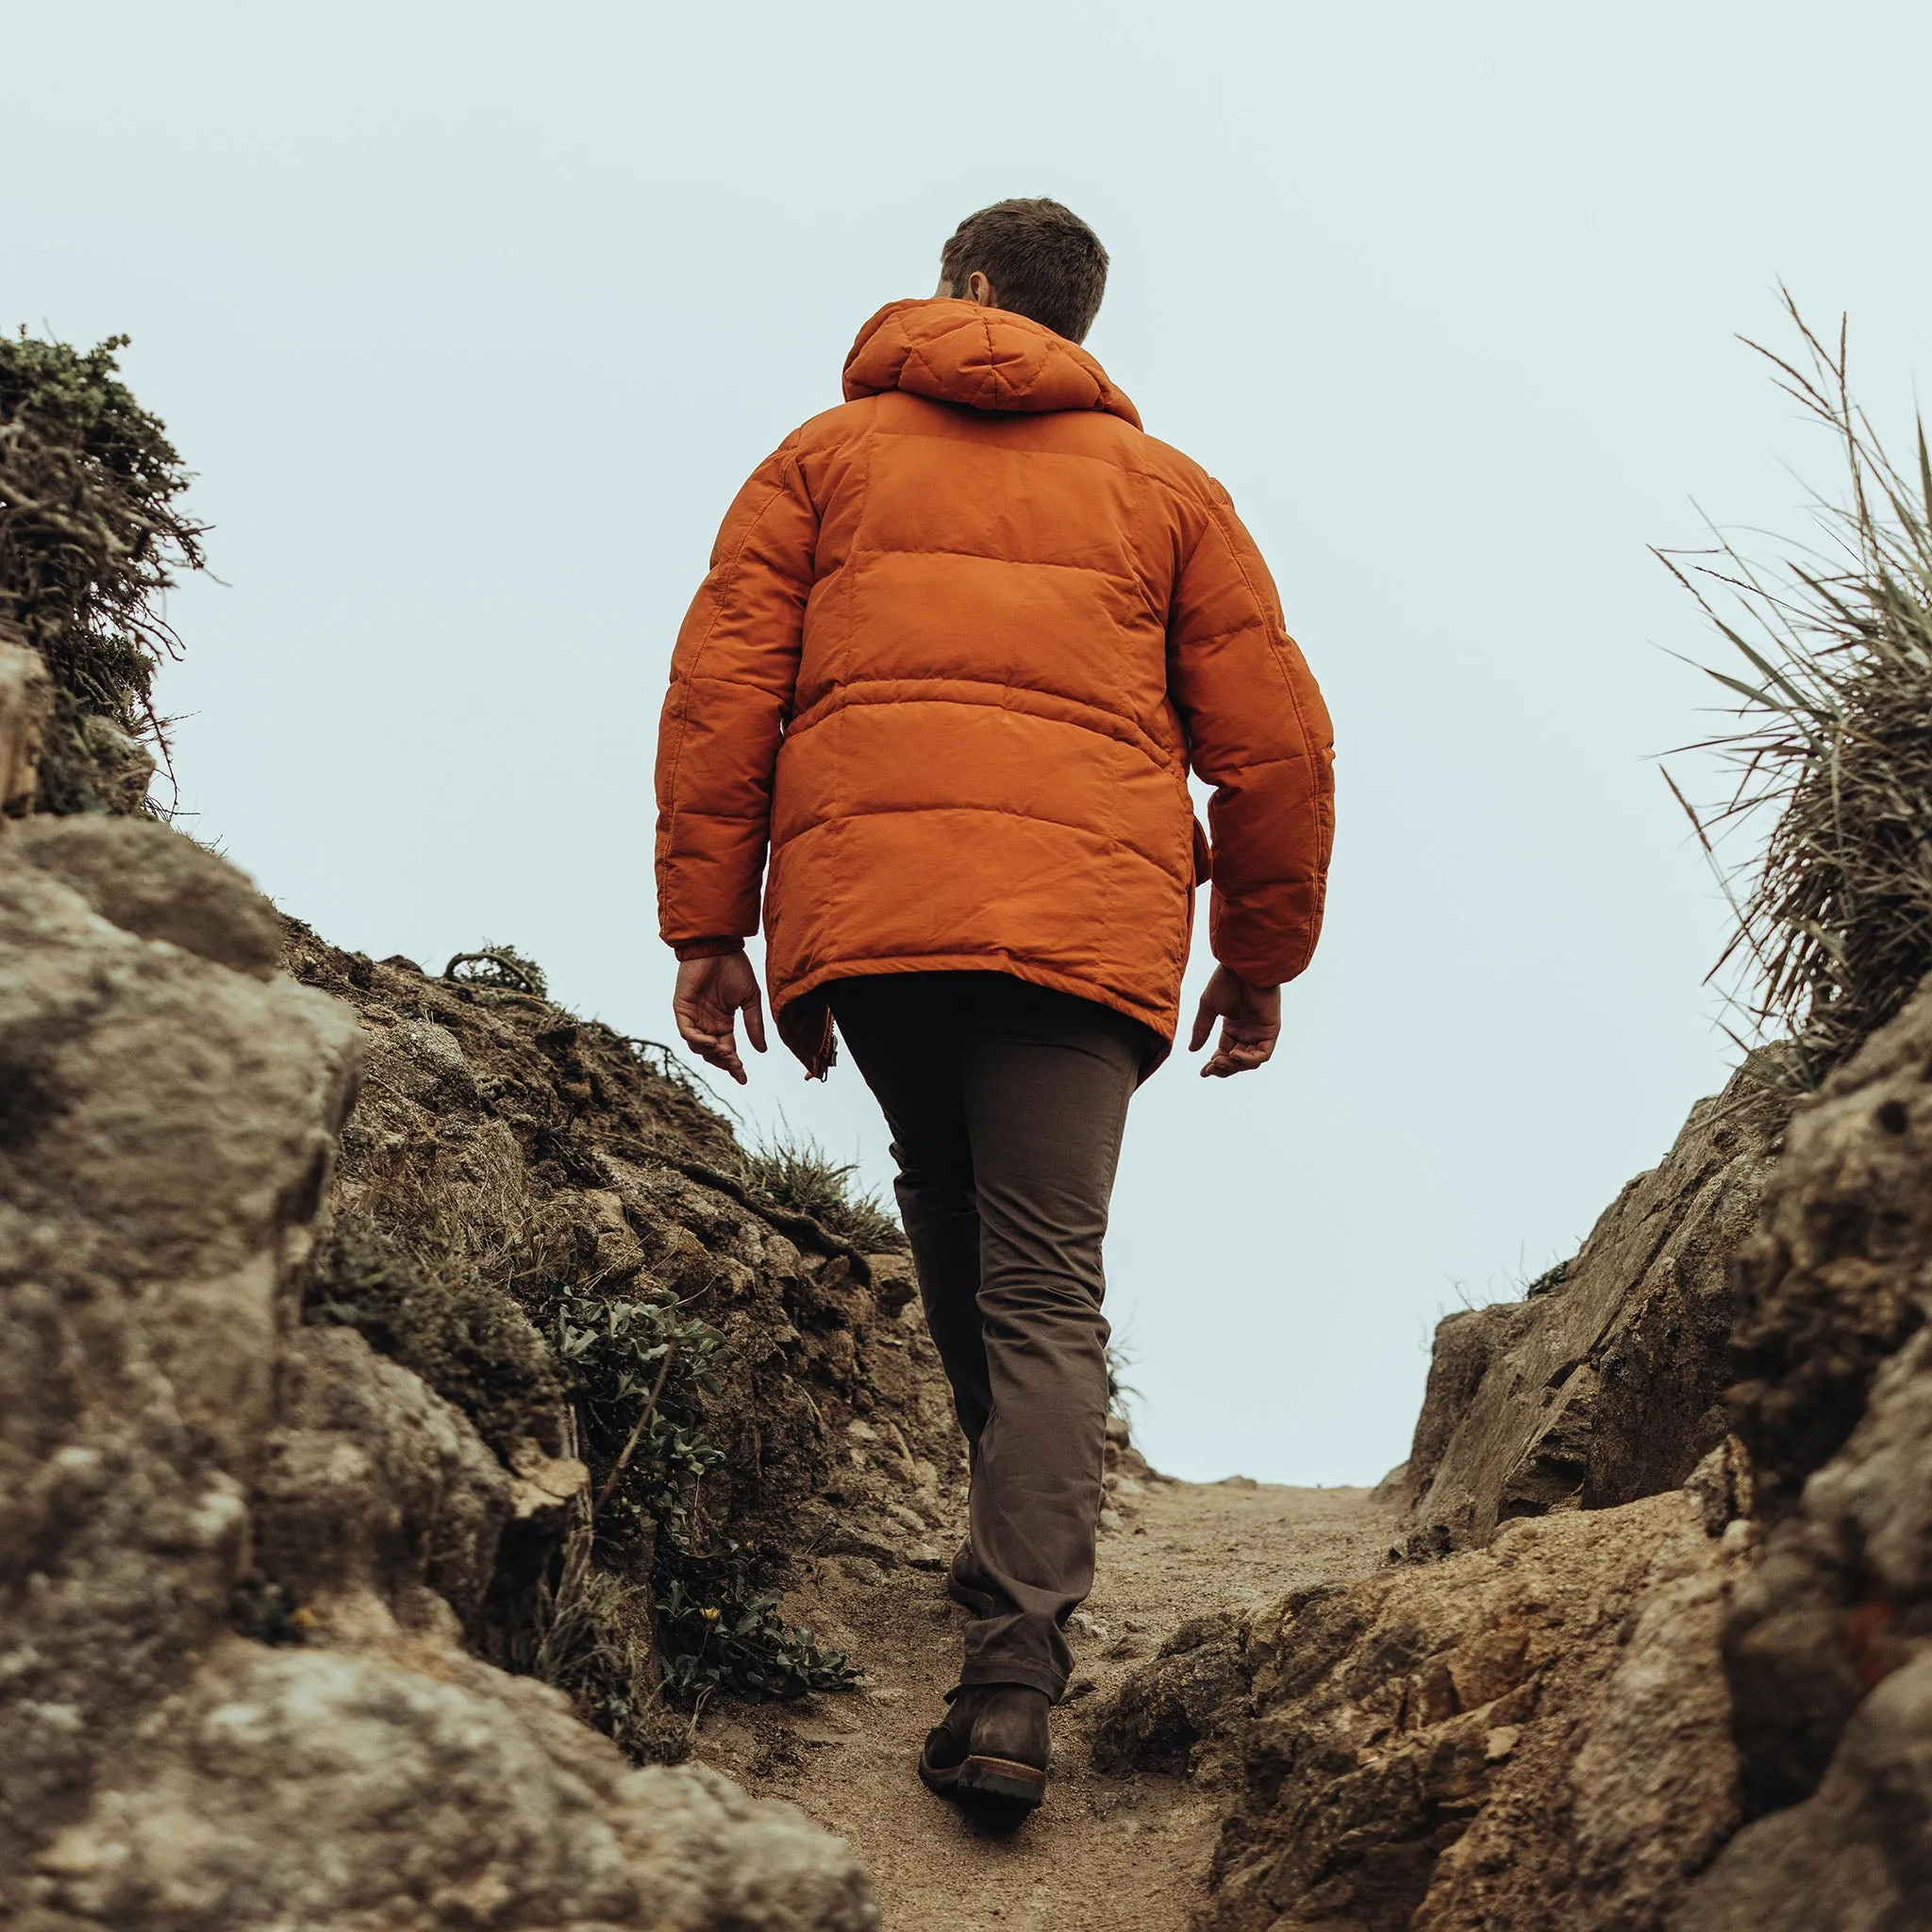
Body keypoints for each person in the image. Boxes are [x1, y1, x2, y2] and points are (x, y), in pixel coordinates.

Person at [655, 197, 1334, 1813]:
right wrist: (1257, 951)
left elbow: (722, 688)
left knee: (947, 1195)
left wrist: (709, 928)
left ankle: (999, 1554)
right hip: (1079, 934)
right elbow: (1276, 747)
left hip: (869, 921)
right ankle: (1016, 1671)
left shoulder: (821, 460)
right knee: (1047, 1286)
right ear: (1074, 324)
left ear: (963, 287)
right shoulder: (1171, 496)